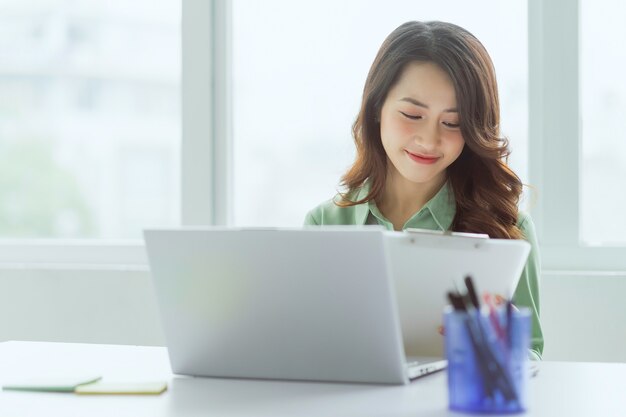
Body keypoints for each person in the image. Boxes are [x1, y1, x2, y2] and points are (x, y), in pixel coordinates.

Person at [303, 21, 543, 360]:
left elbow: (531, 352)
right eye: (412, 115)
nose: (429, 141)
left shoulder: (507, 230)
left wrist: (489, 351)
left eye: (452, 123)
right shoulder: (324, 223)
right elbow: (306, 346)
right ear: (376, 109)